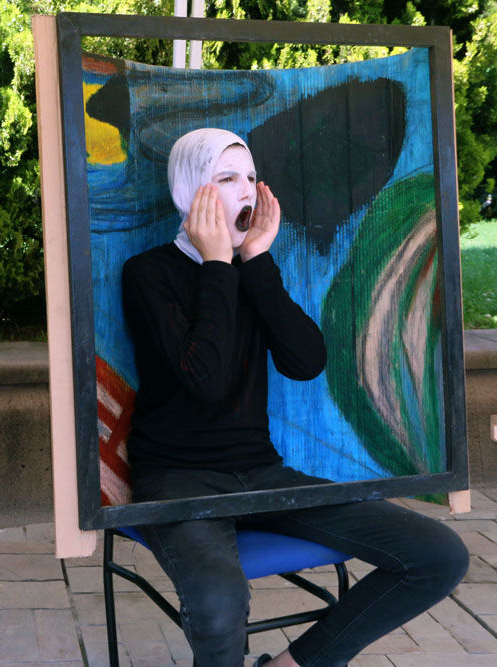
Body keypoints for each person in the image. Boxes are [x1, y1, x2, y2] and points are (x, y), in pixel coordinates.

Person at [121, 128, 468, 667]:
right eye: (227, 178)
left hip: (262, 475)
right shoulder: (148, 272)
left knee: (438, 555)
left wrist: (256, 260)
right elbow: (205, 380)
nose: (246, 190)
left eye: (251, 177)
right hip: (178, 480)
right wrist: (218, 266)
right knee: (219, 606)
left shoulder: (251, 270)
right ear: (191, 191)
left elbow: (306, 363)